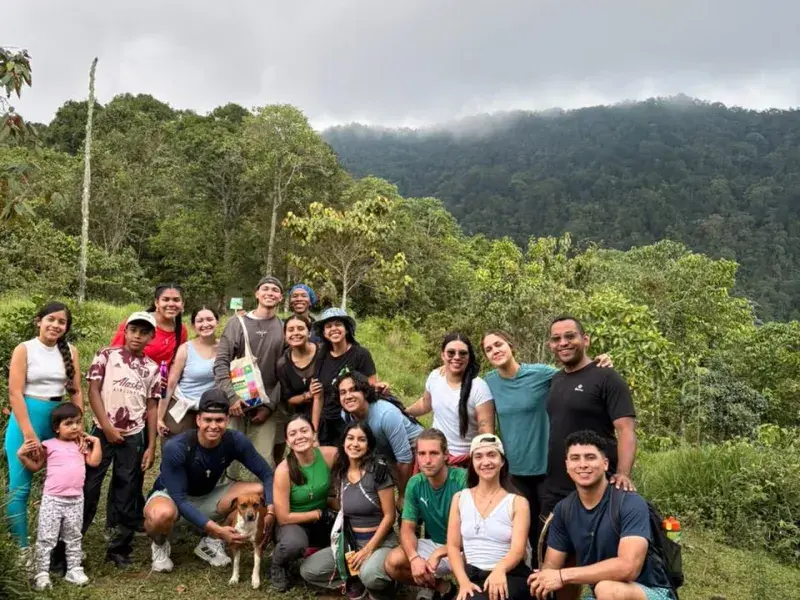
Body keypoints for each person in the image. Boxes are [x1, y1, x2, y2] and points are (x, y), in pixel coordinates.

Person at [482, 330, 613, 549]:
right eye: (489, 349)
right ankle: (526, 579)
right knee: (520, 529)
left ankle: (555, 575)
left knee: (548, 529)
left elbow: (574, 373)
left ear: (511, 345)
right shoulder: (488, 383)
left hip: (547, 468)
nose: (495, 351)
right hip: (514, 471)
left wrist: (598, 362)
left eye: (499, 344)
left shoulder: (540, 374)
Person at [528, 431, 675, 600]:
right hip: (600, 594)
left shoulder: (629, 502)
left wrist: (563, 576)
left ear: (605, 464)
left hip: (649, 591)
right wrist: (545, 577)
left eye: (590, 457)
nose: (582, 464)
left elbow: (628, 567)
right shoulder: (564, 510)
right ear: (567, 465)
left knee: (607, 589)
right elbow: (552, 566)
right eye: (575, 458)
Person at [144, 389, 275, 573]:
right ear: (198, 420)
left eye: (219, 420)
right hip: (173, 498)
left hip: (208, 494)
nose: (213, 426)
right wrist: (216, 529)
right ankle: (160, 544)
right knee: (160, 515)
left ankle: (211, 543)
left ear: (227, 420)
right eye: (208, 420)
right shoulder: (177, 447)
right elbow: (180, 500)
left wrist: (270, 508)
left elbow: (267, 475)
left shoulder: (235, 440)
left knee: (258, 490)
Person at [3, 301, 83, 564]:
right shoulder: (24, 349)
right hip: (26, 419)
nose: (56, 325)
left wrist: (78, 428)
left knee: (62, 487)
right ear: (39, 321)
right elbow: (15, 392)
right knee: (20, 488)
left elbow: (76, 392)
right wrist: (28, 434)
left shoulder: (70, 351)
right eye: (51, 319)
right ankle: (22, 550)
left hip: (57, 422)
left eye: (62, 322)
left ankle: (58, 548)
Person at [540, 317, 637, 527]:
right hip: (556, 483)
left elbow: (626, 430)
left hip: (595, 483)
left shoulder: (607, 378)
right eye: (556, 339)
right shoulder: (555, 380)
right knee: (550, 551)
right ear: (551, 346)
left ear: (586, 340)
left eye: (570, 336)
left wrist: (623, 473)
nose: (563, 342)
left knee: (594, 551)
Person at [82, 311, 161, 567]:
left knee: (127, 489)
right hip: (102, 432)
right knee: (88, 486)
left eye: (144, 332)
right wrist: (106, 427)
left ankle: (119, 547)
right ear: (125, 331)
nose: (137, 336)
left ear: (151, 336)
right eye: (133, 330)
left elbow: (151, 407)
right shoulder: (106, 355)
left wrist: (151, 445)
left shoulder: (151, 368)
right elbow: (93, 390)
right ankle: (69, 544)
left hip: (134, 435)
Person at [300, 421, 398, 600]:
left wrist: (368, 549)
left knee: (371, 576)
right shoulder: (341, 472)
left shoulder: (378, 472)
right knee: (309, 570)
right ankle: (355, 581)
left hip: (379, 542)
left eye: (361, 440)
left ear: (368, 446)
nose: (355, 444)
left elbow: (390, 516)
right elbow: (344, 505)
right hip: (350, 543)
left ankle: (384, 581)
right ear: (343, 442)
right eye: (350, 438)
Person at [16, 404, 102, 590]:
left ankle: (74, 569)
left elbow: (94, 462)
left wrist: (96, 442)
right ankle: (42, 573)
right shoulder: (48, 445)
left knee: (73, 536)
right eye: (69, 423)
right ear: (56, 427)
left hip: (76, 499)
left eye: (78, 422)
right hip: (53, 499)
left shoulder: (82, 445)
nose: (75, 427)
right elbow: (36, 466)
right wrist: (22, 456)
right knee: (46, 538)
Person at [446, 434, 532, 600]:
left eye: (492, 455)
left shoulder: (517, 502)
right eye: (478, 456)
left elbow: (518, 550)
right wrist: (463, 582)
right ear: (472, 463)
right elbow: (453, 547)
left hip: (509, 574)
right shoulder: (459, 498)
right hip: (473, 576)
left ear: (502, 461)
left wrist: (499, 570)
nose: (485, 462)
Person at [384, 428, 466, 598]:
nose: (427, 460)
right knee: (393, 562)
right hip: (436, 544)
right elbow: (407, 529)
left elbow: (477, 532)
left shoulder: (462, 480)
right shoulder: (415, 483)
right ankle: (443, 588)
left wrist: (440, 553)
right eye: (422, 454)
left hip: (467, 548)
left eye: (434, 453)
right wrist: (414, 559)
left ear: (446, 455)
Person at [214, 275, 285, 469]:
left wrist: (269, 406)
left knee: (262, 461)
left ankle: (261, 499)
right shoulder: (237, 323)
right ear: (257, 294)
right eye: (265, 289)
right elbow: (221, 362)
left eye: (275, 290)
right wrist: (231, 397)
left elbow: (286, 373)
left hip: (266, 406)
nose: (270, 293)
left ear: (280, 297)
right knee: (228, 461)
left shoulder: (284, 328)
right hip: (235, 404)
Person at [271, 414, 337, 592]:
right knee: (294, 543)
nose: (299, 436)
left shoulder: (328, 455)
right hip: (292, 522)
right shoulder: (283, 471)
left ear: (314, 434)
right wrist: (316, 514)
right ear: (287, 440)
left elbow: (356, 452)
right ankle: (278, 564)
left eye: (304, 430)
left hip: (323, 517)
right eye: (293, 433)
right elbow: (283, 517)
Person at [338, 369, 422, 508]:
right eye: (343, 392)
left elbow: (404, 458)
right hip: (385, 447)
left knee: (412, 498)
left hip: (414, 447)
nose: (348, 396)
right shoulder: (346, 414)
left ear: (364, 392)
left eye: (353, 390)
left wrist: (402, 495)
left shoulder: (386, 414)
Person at [407, 333, 494, 466]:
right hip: (435, 455)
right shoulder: (435, 377)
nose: (457, 357)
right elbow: (425, 404)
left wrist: (483, 460)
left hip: (465, 460)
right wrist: (404, 411)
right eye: (451, 353)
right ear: (443, 355)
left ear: (469, 357)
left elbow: (485, 430)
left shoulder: (479, 387)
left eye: (462, 353)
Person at [311, 307, 387, 446]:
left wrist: (380, 388)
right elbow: (318, 396)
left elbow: (370, 389)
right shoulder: (321, 356)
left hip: (351, 422)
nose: (333, 329)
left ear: (346, 329)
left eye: (338, 324)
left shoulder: (360, 354)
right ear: (324, 333)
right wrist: (314, 433)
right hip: (327, 422)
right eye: (328, 326)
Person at [158, 307, 220, 441]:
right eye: (200, 321)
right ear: (193, 326)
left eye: (210, 319)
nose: (205, 324)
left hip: (210, 409)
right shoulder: (185, 349)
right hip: (182, 405)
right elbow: (171, 384)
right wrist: (160, 417)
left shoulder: (225, 348)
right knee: (176, 450)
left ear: (217, 322)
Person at [110, 283, 187, 369]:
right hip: (130, 378)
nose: (171, 304)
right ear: (157, 303)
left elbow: (177, 363)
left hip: (161, 381)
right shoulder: (135, 322)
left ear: (182, 304)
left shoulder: (181, 330)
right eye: (166, 299)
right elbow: (114, 355)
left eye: (176, 300)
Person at [276, 315, 320, 421]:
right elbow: (289, 398)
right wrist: (308, 395)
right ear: (285, 335)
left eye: (300, 329)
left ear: (309, 333)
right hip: (303, 418)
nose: (296, 333)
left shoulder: (323, 352)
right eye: (291, 330)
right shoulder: (282, 364)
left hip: (330, 412)